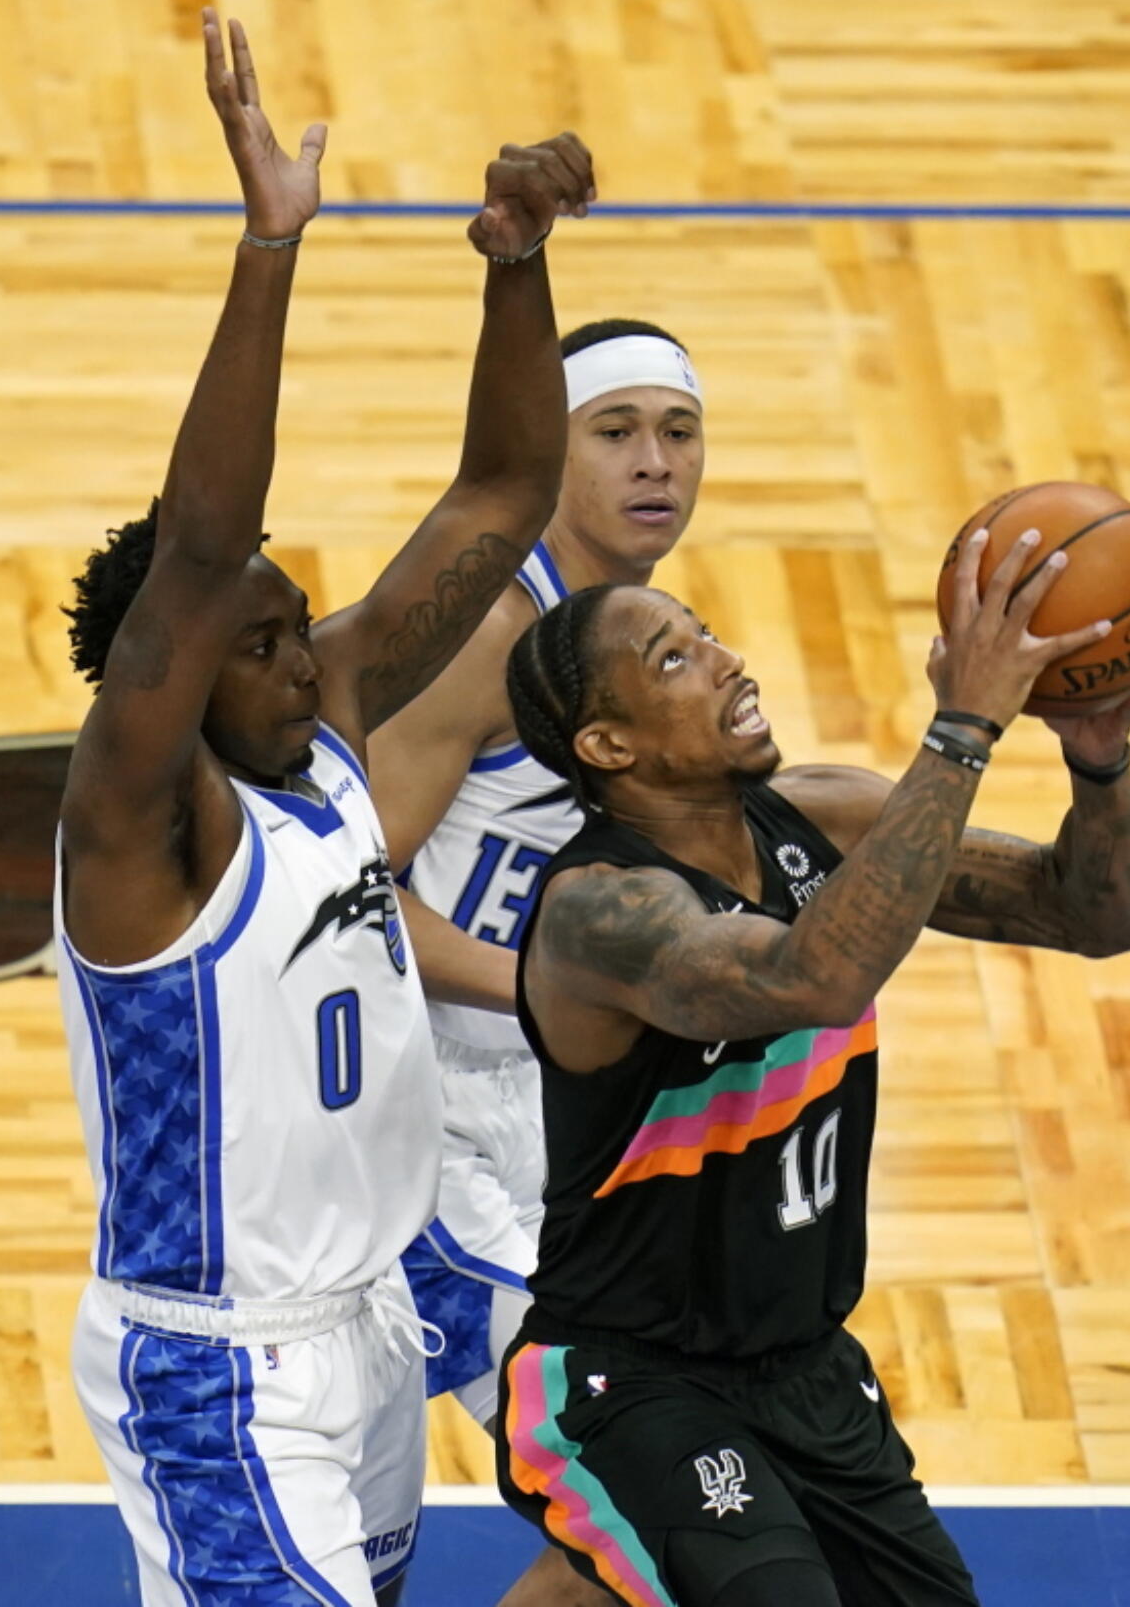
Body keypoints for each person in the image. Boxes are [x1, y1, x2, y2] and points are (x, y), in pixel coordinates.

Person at [55, 9, 594, 1606]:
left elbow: (500, 496)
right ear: (168, 676)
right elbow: (202, 555)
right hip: (220, 1377)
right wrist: (269, 248)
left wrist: (515, 262)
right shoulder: (144, 829)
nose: (308, 660)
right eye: (260, 645)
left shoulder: (331, 727)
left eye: (303, 631)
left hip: (377, 1309)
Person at [495, 528, 1130, 1607]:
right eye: (673, 659)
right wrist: (960, 727)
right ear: (609, 745)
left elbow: (1092, 913)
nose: (724, 658)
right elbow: (814, 978)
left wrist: (1098, 755)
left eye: (705, 633)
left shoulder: (826, 816)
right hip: (627, 1379)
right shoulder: (599, 913)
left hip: (803, 1368)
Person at [369, 320, 704, 1606]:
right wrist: (532, 990)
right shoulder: (484, 637)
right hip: (422, 1127)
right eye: (613, 432)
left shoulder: (654, 637)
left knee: (645, 1500)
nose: (651, 462)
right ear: (549, 454)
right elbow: (351, 899)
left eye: (676, 432)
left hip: (566, 1120)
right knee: (645, 1464)